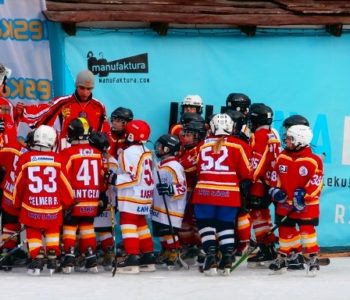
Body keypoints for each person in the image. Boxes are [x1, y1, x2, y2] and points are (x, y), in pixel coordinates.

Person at [191, 113, 252, 276]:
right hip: (229, 193)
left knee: (206, 225)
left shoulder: (202, 145)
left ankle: (210, 257)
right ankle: (226, 258)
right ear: (231, 127)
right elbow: (247, 172)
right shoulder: (239, 145)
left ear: (212, 127)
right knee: (226, 226)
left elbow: (193, 168)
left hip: (204, 192)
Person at [13, 125, 74, 275]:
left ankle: (37, 256)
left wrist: (17, 203)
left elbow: (18, 185)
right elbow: (65, 185)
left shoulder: (25, 158)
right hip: (53, 207)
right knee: (52, 228)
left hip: (31, 206)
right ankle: (52, 254)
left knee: (33, 230)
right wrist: (68, 202)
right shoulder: (58, 159)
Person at [268, 124, 323, 276]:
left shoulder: (313, 160)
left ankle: (312, 257)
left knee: (307, 232)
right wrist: (275, 190)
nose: (287, 140)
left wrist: (303, 195)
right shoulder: (282, 156)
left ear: (301, 140)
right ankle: (285, 256)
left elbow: (316, 183)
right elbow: (275, 177)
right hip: (286, 204)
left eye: (290, 138)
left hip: (307, 205)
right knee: (285, 231)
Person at [105, 119, 155, 274]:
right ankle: (148, 256)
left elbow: (132, 177)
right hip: (145, 194)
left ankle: (132, 258)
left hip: (133, 194)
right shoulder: (146, 150)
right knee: (141, 223)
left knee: (128, 223)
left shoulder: (129, 152)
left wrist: (113, 178)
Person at [15, 69, 109, 150]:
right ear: (76, 86)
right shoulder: (62, 102)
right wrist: (23, 110)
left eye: (89, 89)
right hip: (66, 146)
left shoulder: (99, 106)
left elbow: (102, 132)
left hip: (89, 149)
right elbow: (43, 112)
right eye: (82, 88)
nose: (85, 92)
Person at [59, 117, 107, 274]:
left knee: (70, 227)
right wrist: (101, 196)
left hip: (74, 200)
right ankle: (91, 258)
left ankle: (69, 256)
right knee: (87, 227)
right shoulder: (97, 153)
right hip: (92, 200)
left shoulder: (67, 153)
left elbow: (62, 178)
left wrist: (64, 200)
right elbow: (102, 178)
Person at [245, 103, 281, 268]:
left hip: (262, 183)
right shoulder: (272, 133)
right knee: (263, 215)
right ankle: (269, 247)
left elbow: (257, 162)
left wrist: (248, 179)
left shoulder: (259, 136)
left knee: (258, 214)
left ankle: (267, 249)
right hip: (271, 181)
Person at [151, 134, 187, 269]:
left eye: (160, 146)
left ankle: (174, 251)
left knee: (168, 231)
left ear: (168, 149)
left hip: (172, 207)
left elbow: (181, 187)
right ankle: (166, 250)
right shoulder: (160, 164)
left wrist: (170, 189)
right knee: (160, 231)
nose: (158, 148)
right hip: (159, 205)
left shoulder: (175, 166)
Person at [178, 120, 207, 264]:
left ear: (198, 136)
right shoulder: (185, 148)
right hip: (186, 191)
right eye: (185, 134)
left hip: (198, 191)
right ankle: (188, 246)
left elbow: (188, 168)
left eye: (189, 135)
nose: (185, 138)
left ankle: (201, 247)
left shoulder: (202, 148)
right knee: (184, 220)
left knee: (198, 220)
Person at [90, 130, 119, 271]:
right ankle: (108, 251)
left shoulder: (93, 159)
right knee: (104, 230)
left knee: (90, 228)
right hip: (109, 201)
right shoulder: (113, 161)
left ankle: (102, 252)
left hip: (97, 199)